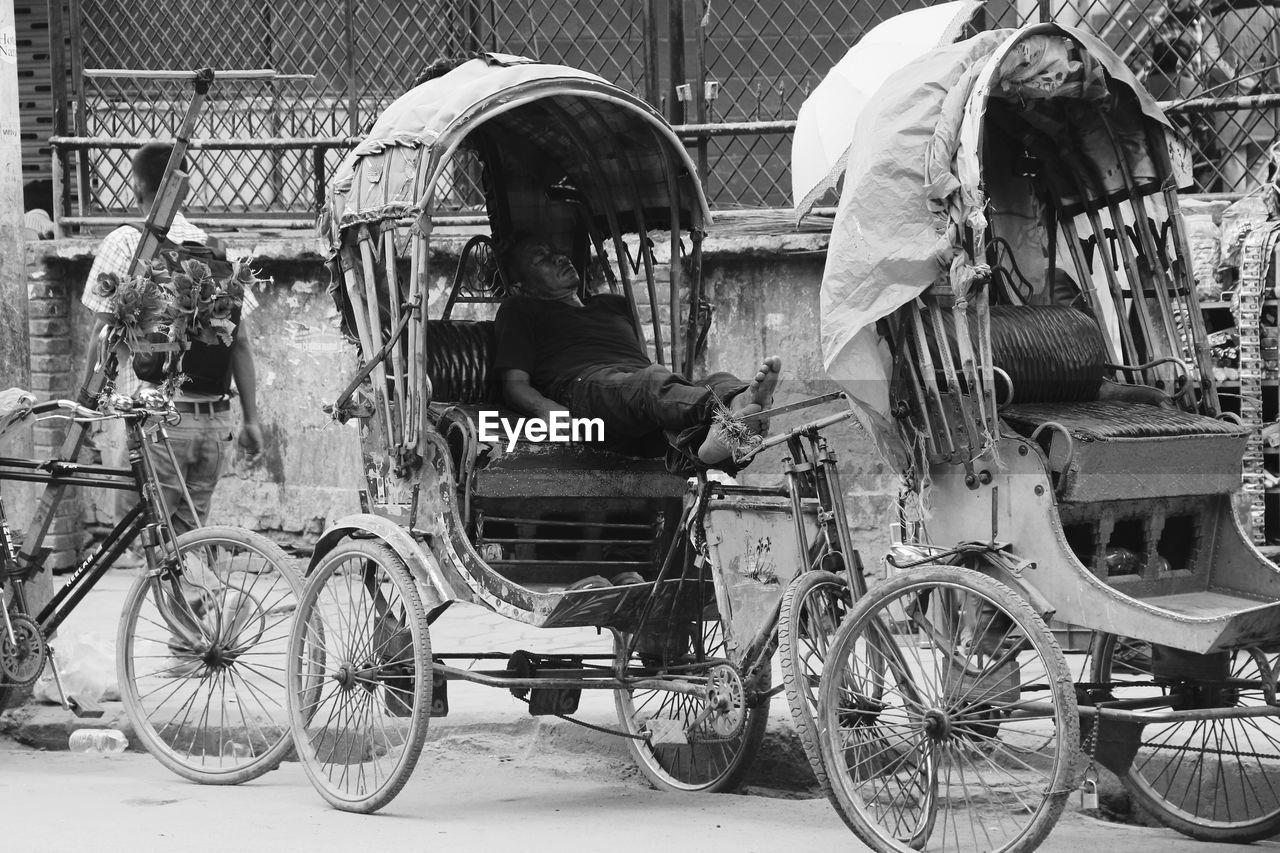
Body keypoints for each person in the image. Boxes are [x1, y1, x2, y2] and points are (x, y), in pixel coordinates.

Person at [81, 142, 263, 538]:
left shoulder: (128, 243)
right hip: (214, 423)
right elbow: (242, 342)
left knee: (149, 542)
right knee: (189, 540)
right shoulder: (216, 251)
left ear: (136, 186)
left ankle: (203, 599)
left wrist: (84, 404)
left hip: (160, 420)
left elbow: (103, 332)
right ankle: (205, 597)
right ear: (186, 190)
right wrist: (250, 420)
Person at [493, 236, 781, 473]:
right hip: (581, 388)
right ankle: (730, 407)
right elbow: (514, 384)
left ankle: (732, 415)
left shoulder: (613, 304)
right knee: (649, 382)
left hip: (631, 391)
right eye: (542, 258)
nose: (560, 257)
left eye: (557, 249)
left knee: (715, 379)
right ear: (521, 285)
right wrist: (545, 409)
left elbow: (640, 368)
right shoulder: (520, 309)